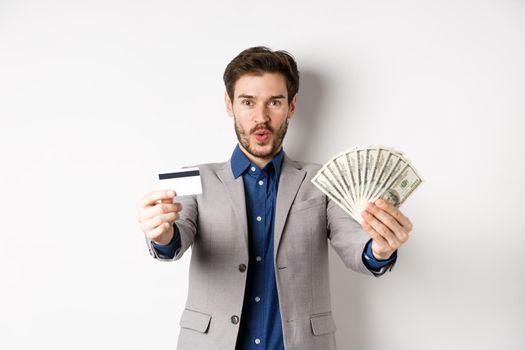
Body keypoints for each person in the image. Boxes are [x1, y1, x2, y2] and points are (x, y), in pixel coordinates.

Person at [136, 46, 413, 350]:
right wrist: (162, 235)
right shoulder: (192, 178)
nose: (261, 117)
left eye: (275, 102)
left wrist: (380, 248)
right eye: (248, 102)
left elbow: (356, 246)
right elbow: (176, 236)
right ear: (229, 105)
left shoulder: (323, 181)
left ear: (292, 106)